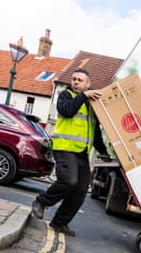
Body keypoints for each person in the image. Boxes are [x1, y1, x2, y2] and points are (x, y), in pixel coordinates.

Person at [31, 68, 110, 236]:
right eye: (74, 79)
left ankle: (59, 222)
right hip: (64, 148)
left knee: (81, 190)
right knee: (69, 181)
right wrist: (84, 95)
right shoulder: (66, 95)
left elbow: (95, 133)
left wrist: (103, 152)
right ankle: (41, 202)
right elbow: (67, 111)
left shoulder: (91, 105)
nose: (75, 81)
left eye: (80, 80)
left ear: (88, 83)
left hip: (81, 152)